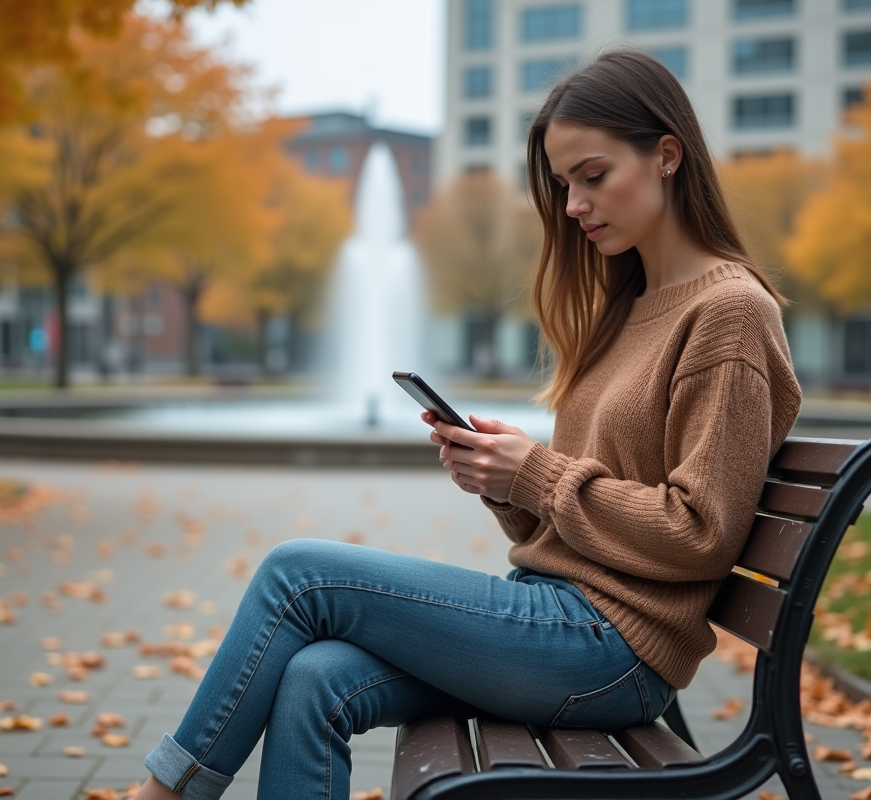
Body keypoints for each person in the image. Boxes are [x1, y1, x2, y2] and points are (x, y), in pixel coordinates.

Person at [131, 49, 801, 800]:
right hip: (563, 622)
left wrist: (536, 474)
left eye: (593, 175)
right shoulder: (632, 306)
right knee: (313, 675)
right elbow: (580, 521)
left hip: (611, 649)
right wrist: (505, 483)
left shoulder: (729, 315)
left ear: (667, 156)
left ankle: (165, 794)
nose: (574, 203)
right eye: (562, 184)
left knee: (297, 574)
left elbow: (701, 533)